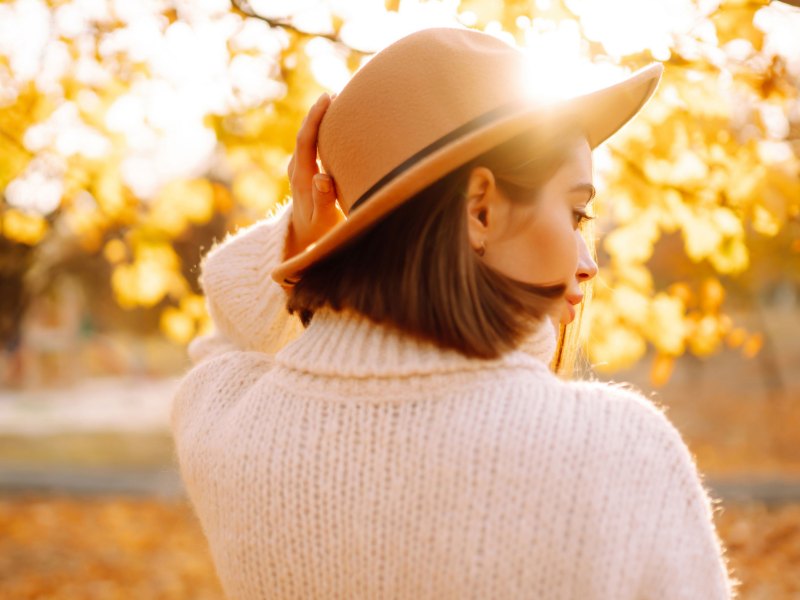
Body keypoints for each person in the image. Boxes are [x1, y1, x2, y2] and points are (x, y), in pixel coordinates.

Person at [171, 27, 736, 599]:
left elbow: (228, 337)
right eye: (575, 213)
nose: (588, 263)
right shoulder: (616, 451)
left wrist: (303, 241)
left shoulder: (227, 427)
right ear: (480, 210)